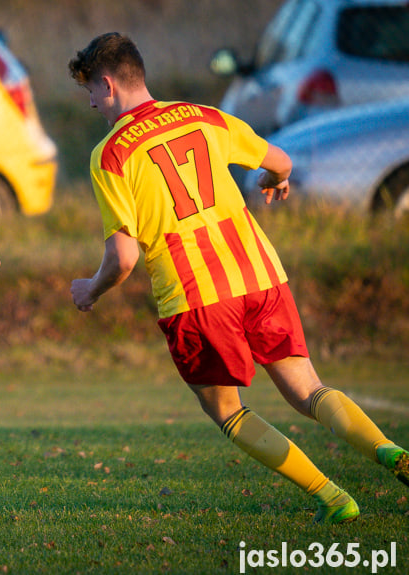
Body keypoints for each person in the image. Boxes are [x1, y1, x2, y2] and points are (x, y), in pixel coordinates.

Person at [67, 33, 408, 524]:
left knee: (226, 410)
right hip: (260, 276)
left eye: (92, 93)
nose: (94, 104)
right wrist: (274, 181)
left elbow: (122, 259)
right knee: (309, 390)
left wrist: (89, 289)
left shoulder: (111, 155)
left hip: (195, 295)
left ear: (108, 84)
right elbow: (281, 162)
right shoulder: (204, 116)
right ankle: (389, 451)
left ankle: (333, 497)